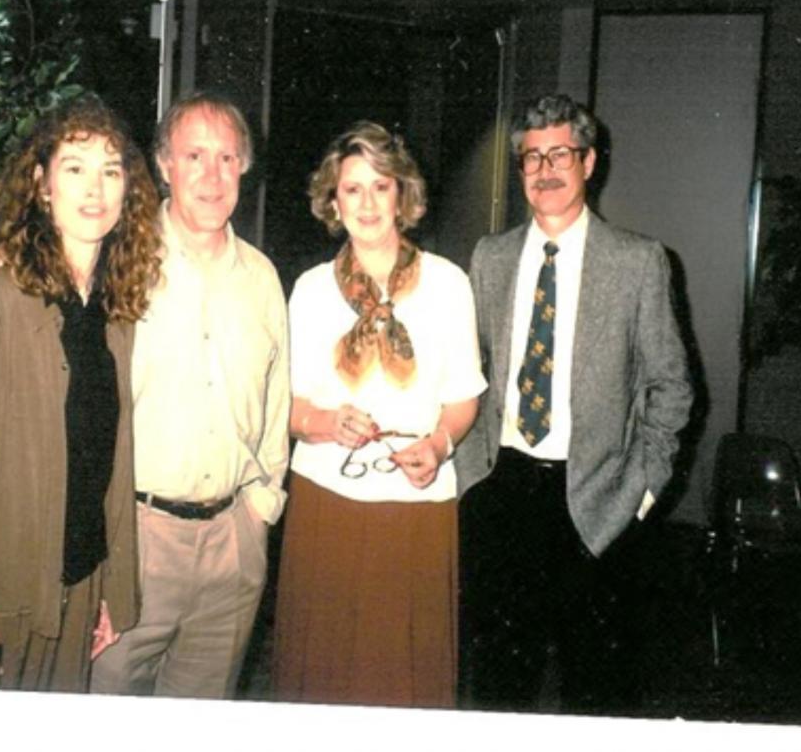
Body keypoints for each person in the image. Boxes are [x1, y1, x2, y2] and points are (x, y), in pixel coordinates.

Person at [0, 98, 163, 692]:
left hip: (78, 590)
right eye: (74, 167)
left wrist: (112, 593)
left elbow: (111, 465)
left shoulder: (116, 308)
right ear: (41, 184)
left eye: (110, 169)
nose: (94, 187)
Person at [456, 94, 693, 713]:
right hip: (500, 493)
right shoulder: (491, 258)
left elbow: (671, 385)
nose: (545, 168)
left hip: (599, 499)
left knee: (597, 692)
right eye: (532, 157)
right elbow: (465, 372)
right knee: (499, 691)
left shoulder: (640, 262)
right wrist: (467, 482)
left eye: (560, 153)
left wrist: (642, 488)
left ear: (589, 163)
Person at [272, 121, 486, 709]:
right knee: (324, 672)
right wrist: (323, 423)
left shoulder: (449, 284)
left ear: (403, 196)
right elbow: (281, 407)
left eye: (381, 186)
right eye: (352, 189)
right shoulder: (310, 290)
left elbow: (464, 395)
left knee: (403, 674)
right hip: (327, 501)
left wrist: (440, 445)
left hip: (419, 505)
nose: (367, 203)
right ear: (333, 201)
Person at [87, 94, 291, 699]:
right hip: (135, 542)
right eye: (194, 155)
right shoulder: (115, 260)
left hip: (233, 544)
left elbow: (275, 404)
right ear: (162, 166)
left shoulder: (262, 278)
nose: (212, 175)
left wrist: (261, 508)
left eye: (227, 157)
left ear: (244, 168)